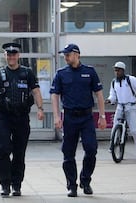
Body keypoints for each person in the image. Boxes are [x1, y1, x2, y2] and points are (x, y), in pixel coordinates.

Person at [0, 43, 44, 197]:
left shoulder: (27, 73)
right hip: (5, 118)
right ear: (5, 56)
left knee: (19, 152)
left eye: (14, 54)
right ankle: (5, 184)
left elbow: (36, 91)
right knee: (4, 149)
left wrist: (40, 108)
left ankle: (16, 184)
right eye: (8, 54)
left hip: (22, 118)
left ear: (18, 56)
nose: (11, 57)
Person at [50, 44, 107, 197]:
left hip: (87, 117)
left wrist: (102, 117)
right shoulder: (61, 74)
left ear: (77, 55)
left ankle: (85, 180)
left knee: (91, 149)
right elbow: (54, 95)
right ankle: (72, 185)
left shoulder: (89, 72)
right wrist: (56, 116)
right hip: (69, 117)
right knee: (68, 153)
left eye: (68, 54)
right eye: (64, 55)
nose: (65, 57)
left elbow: (99, 94)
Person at [106, 61, 136, 158]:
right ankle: (112, 145)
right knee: (115, 126)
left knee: (133, 130)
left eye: (118, 70)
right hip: (120, 106)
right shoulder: (114, 82)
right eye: (115, 70)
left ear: (123, 70)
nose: (116, 72)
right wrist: (110, 99)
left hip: (131, 107)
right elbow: (113, 95)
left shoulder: (131, 79)